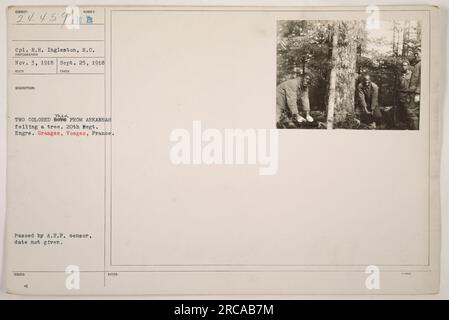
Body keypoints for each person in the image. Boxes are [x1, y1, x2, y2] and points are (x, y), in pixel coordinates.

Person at [396, 59, 420, 130]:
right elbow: (397, 85)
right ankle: (402, 126)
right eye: (402, 65)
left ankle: (410, 126)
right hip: (400, 94)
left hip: (408, 95)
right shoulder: (399, 74)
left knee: (409, 111)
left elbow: (413, 84)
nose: (404, 67)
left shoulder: (411, 74)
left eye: (405, 65)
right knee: (401, 110)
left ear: (408, 66)